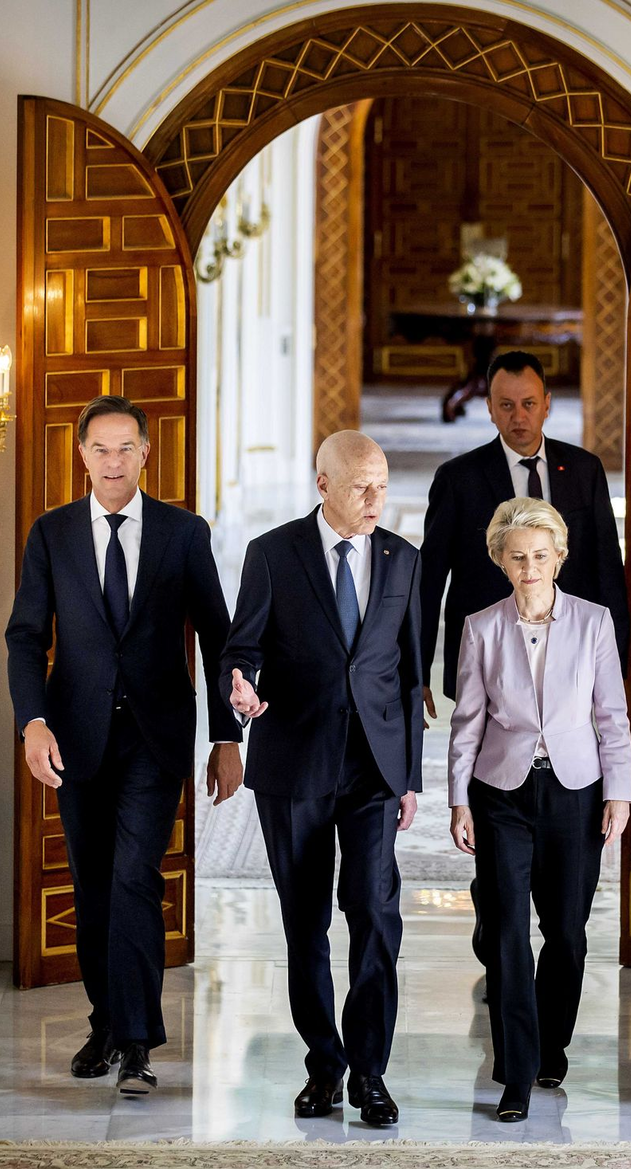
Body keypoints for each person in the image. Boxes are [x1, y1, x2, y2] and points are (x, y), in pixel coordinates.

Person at [6, 394, 241, 1096]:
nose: (113, 461)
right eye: (100, 448)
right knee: (94, 881)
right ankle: (106, 1020)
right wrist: (32, 721)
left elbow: (220, 635)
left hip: (155, 736)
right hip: (74, 737)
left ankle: (138, 1042)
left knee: (137, 874)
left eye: (126, 447)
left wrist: (228, 737)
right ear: (81, 455)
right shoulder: (50, 534)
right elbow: (25, 636)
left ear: (146, 453)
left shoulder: (182, 533)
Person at [220, 430, 422, 1128]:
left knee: (373, 910)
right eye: (361, 486)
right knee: (304, 922)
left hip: (372, 767)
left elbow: (409, 673)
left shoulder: (403, 558)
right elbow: (240, 647)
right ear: (323, 484)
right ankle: (324, 1065)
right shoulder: (272, 553)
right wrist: (239, 689)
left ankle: (370, 1071)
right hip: (294, 763)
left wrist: (411, 775)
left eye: (383, 484)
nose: (376, 500)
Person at [447, 498, 631, 1122]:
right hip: (501, 793)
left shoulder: (594, 622)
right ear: (501, 561)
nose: (530, 567)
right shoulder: (479, 627)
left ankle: (551, 1044)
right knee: (506, 935)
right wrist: (457, 800)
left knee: (569, 936)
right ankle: (517, 1073)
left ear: (561, 556)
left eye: (541, 555)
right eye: (518, 557)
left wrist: (619, 791)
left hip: (575, 791)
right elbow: (466, 722)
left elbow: (611, 715)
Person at [420, 349, 628, 717]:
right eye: (506, 405)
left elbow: (608, 570)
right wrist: (417, 671)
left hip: (568, 647)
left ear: (547, 404)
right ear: (488, 408)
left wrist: (617, 661)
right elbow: (430, 580)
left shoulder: (584, 470)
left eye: (529, 403)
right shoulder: (457, 479)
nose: (519, 417)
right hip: (487, 651)